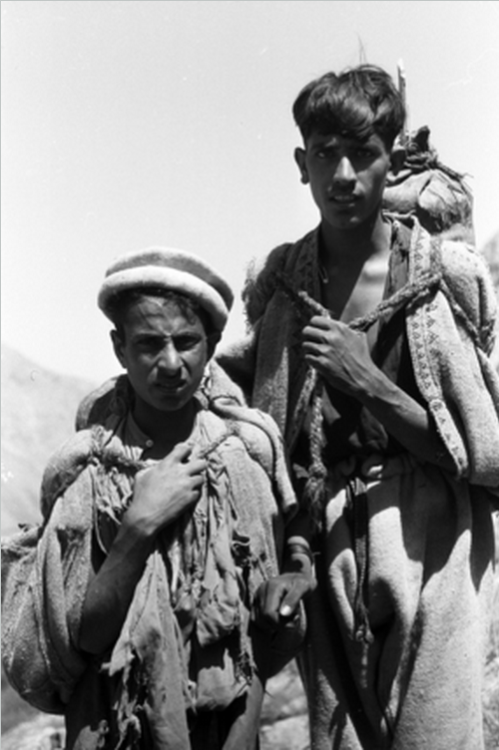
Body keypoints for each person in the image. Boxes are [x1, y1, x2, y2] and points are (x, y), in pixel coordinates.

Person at [218, 64, 499, 749]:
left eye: (363, 154)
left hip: (435, 534)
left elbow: (482, 455)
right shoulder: (282, 285)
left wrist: (367, 380)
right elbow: (244, 403)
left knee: (434, 732)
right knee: (340, 737)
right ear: (300, 164)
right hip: (323, 541)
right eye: (323, 155)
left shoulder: (440, 278)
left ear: (389, 156)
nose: (342, 175)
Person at [1, 247, 306, 750]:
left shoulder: (241, 463)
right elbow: (87, 638)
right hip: (117, 732)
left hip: (223, 726)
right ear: (120, 349)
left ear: (210, 346)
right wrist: (139, 527)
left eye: (186, 342)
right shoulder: (92, 476)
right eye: (148, 345)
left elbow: (257, 638)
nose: (170, 364)